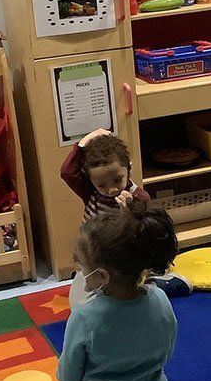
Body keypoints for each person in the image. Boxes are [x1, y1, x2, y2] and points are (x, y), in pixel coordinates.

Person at [53, 201, 179, 381]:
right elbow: (167, 353)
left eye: (82, 267)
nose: (80, 272)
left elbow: (69, 379)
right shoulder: (160, 300)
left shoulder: (84, 317)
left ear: (102, 276)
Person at [61, 129, 190, 302]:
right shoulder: (90, 192)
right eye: (101, 184)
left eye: (117, 180)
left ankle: (161, 284)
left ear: (129, 168)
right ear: (91, 181)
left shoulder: (138, 197)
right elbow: (67, 172)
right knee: (81, 299)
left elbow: (148, 236)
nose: (111, 189)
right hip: (97, 254)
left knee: (131, 292)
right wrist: (82, 145)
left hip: (127, 261)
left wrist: (130, 213)